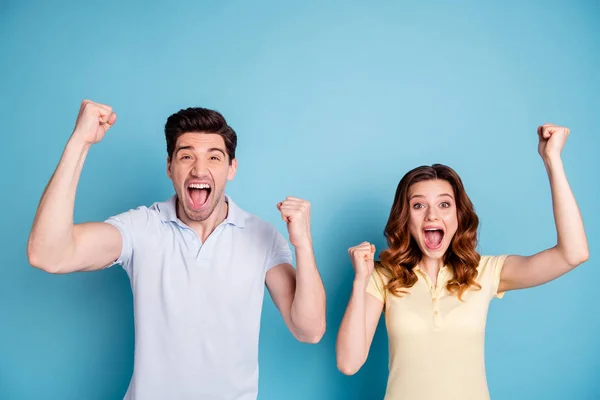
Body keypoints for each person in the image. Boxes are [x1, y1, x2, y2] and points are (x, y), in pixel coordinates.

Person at [27, 100, 326, 400]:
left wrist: (303, 244)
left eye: (214, 157)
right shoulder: (142, 228)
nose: (199, 169)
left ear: (231, 168)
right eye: (186, 156)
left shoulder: (262, 236)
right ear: (170, 167)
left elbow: (309, 330)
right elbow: (49, 254)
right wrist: (79, 142)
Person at [336, 124, 589, 400]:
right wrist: (361, 279)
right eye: (418, 205)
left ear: (459, 215)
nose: (432, 215)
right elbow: (349, 364)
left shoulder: (485, 272)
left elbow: (573, 253)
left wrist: (552, 159)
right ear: (405, 218)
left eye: (444, 204)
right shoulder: (384, 276)